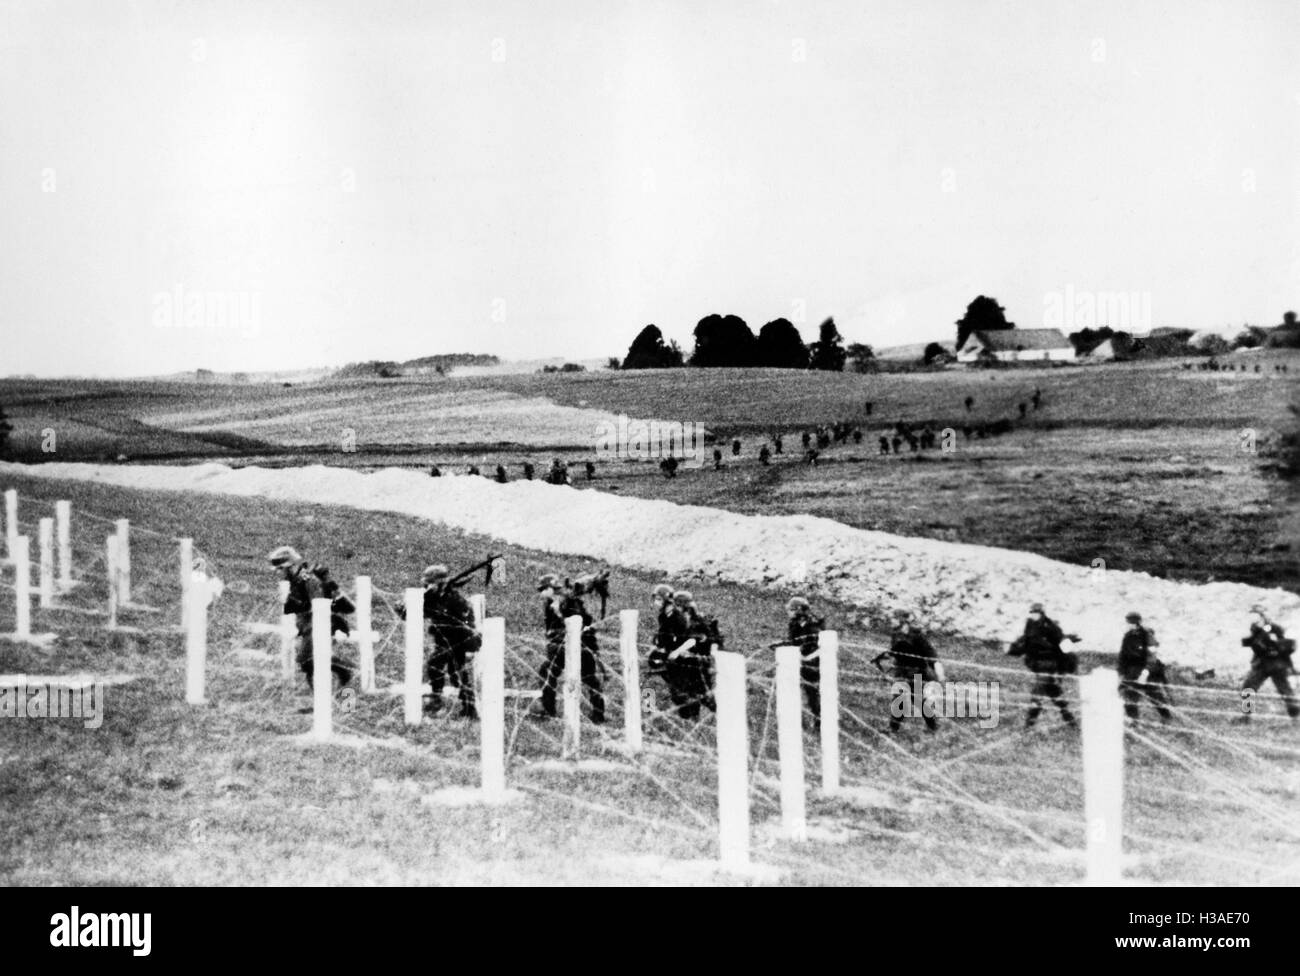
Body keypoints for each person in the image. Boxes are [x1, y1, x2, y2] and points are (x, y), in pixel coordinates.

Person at [268, 546, 355, 696]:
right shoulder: (295, 579)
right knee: (307, 662)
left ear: (290, 566)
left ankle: (343, 671)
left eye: (280, 568)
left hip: (322, 622)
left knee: (307, 659)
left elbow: (319, 605)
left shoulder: (309, 580)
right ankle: (330, 690)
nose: (278, 572)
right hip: (310, 623)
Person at [406, 564, 480, 719]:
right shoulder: (432, 598)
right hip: (442, 640)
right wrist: (409, 604)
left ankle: (464, 706)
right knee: (446, 670)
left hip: (458, 641)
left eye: (430, 582)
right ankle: (446, 700)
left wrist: (471, 649)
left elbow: (469, 624)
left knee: (448, 671)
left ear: (440, 583)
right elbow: (412, 612)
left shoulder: (456, 600)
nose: (427, 585)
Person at [535, 574, 605, 722]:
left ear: (550, 589)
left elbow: (578, 621)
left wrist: (559, 612)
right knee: (547, 673)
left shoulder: (569, 601)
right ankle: (549, 711)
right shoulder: (550, 603)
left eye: (542, 589)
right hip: (561, 648)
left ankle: (598, 714)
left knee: (589, 679)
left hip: (581, 646)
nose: (540, 593)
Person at [1008, 603, 1079, 728]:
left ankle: (1029, 725)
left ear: (1042, 613)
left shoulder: (1050, 627)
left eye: (1037, 613)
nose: (1034, 615)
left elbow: (1061, 644)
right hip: (1037, 664)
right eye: (1032, 613)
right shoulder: (1030, 625)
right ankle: (1070, 720)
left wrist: (1069, 642)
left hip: (1048, 664)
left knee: (1038, 694)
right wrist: (1012, 649)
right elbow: (1026, 642)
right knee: (1053, 692)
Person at [874, 610, 941, 733]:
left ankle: (932, 726)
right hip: (903, 672)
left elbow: (932, 656)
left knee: (916, 700)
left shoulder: (917, 637)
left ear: (903, 622)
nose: (890, 622)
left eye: (894, 619)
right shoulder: (896, 635)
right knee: (901, 699)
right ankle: (894, 728)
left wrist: (940, 673)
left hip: (917, 672)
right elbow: (896, 653)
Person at [661, 591, 717, 720]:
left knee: (700, 694)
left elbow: (693, 639)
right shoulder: (676, 619)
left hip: (696, 663)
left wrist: (677, 651)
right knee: (681, 692)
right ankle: (650, 710)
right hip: (682, 662)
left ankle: (717, 713)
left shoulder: (695, 621)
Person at [1237, 604, 1298, 722]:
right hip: (1265, 664)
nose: (1254, 618)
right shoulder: (1256, 628)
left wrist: (1270, 639)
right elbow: (1251, 642)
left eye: (1256, 615)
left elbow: (1283, 642)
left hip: (1273, 663)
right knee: (1249, 687)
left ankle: (1295, 717)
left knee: (1284, 689)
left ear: (1262, 616)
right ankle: (1246, 716)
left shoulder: (1274, 628)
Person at [1117, 611, 1172, 723]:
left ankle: (1166, 717)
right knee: (1128, 696)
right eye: (1128, 622)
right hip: (1131, 672)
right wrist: (1121, 672)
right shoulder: (1128, 636)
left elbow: (1152, 656)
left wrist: (1145, 673)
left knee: (1154, 696)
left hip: (1146, 671)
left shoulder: (1146, 635)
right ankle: (1134, 721)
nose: (1128, 624)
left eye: (1131, 622)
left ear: (1137, 623)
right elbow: (1123, 655)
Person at [785, 597, 825, 727]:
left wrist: (805, 657)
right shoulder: (794, 623)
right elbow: (794, 641)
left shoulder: (813, 625)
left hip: (813, 662)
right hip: (799, 660)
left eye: (791, 610)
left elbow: (818, 646)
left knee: (812, 691)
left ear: (799, 611)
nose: (788, 612)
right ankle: (798, 719)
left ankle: (818, 720)